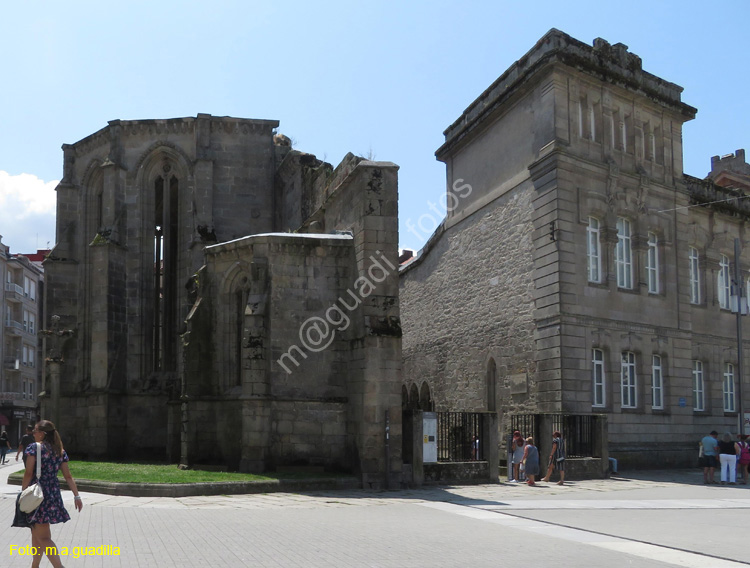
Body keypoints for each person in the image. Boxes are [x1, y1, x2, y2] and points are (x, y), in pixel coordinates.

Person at [18, 420, 83, 568]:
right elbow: (68, 476)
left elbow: (28, 473)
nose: (33, 433)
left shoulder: (34, 448)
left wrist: (23, 493)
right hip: (52, 493)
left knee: (44, 537)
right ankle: (34, 565)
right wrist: (76, 496)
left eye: (35, 431)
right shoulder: (59, 450)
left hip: (37, 494)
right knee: (36, 533)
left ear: (43, 433)